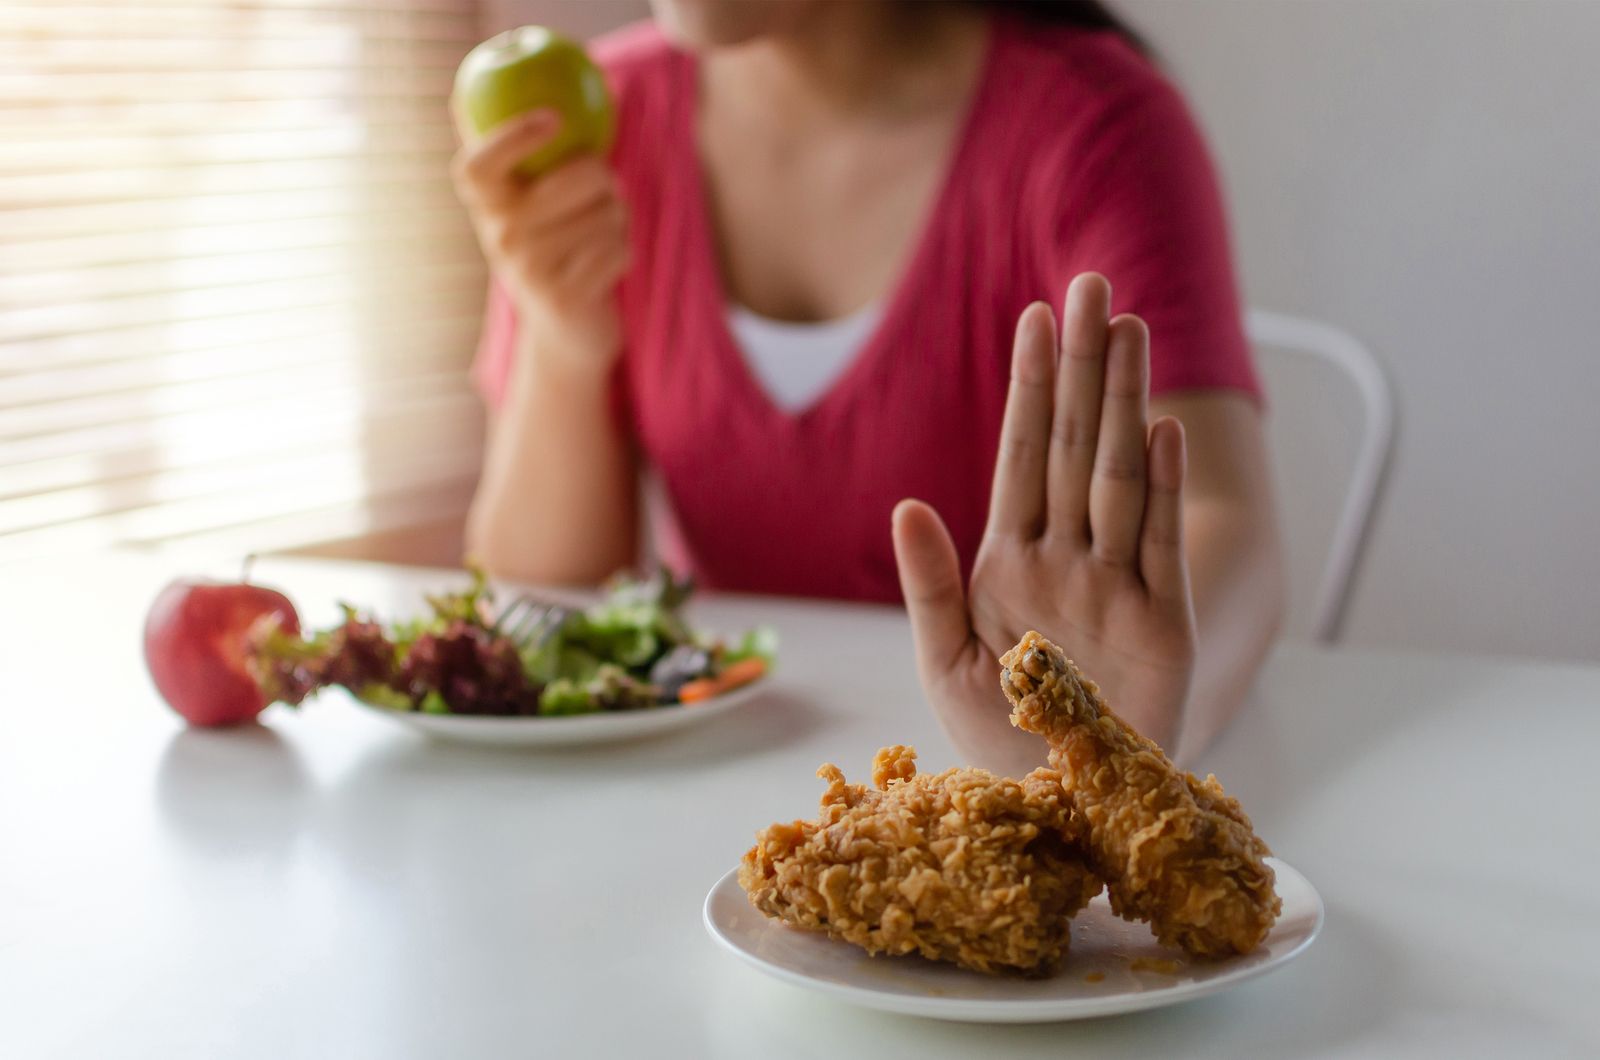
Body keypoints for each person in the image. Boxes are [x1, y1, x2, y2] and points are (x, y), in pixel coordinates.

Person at [451, 0, 1284, 771]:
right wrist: (562, 342)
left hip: (986, 770)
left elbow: (1226, 524)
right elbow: (540, 600)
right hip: (708, 785)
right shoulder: (596, 119)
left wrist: (1102, 741)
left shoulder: (1096, 123)